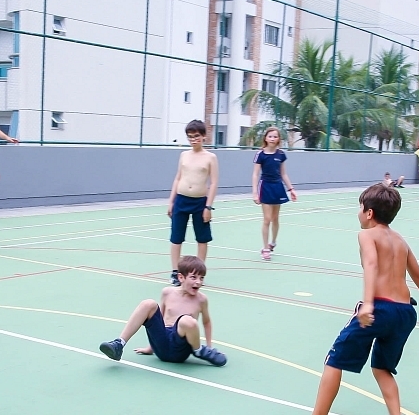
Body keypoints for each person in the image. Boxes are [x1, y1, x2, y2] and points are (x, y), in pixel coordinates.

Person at [284, 184, 419, 415]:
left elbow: (370, 264)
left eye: (360, 207)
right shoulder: (400, 240)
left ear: (369, 213)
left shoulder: (367, 235)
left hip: (380, 308)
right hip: (405, 313)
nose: (358, 212)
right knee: (382, 367)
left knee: (334, 360)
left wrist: (368, 304)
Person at [98, 255, 227, 366]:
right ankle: (119, 344)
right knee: (148, 303)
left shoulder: (201, 300)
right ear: (181, 277)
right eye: (193, 277)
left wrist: (209, 347)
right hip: (162, 346)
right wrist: (150, 348)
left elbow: (206, 322)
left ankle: (199, 351)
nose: (198, 282)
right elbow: (160, 320)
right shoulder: (167, 293)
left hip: (180, 349)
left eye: (201, 278)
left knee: (187, 320)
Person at [167, 120, 219, 285]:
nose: (193, 139)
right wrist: (171, 201)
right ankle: (176, 272)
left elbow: (214, 183)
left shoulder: (210, 157)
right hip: (181, 199)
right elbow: (178, 178)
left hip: (200, 202)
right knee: (176, 237)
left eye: (196, 136)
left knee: (202, 238)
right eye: (190, 137)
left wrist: (208, 207)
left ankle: (199, 273)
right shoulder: (184, 155)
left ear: (203, 136)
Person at [252, 126, 296, 261]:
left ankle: (273, 243)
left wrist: (291, 189)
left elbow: (283, 174)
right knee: (267, 219)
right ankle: (265, 248)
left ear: (278, 139)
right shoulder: (260, 154)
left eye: (275, 136)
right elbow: (255, 174)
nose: (272, 138)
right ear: (265, 138)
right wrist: (255, 192)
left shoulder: (281, 154)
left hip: (278, 187)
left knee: (275, 218)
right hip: (265, 186)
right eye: (270, 136)